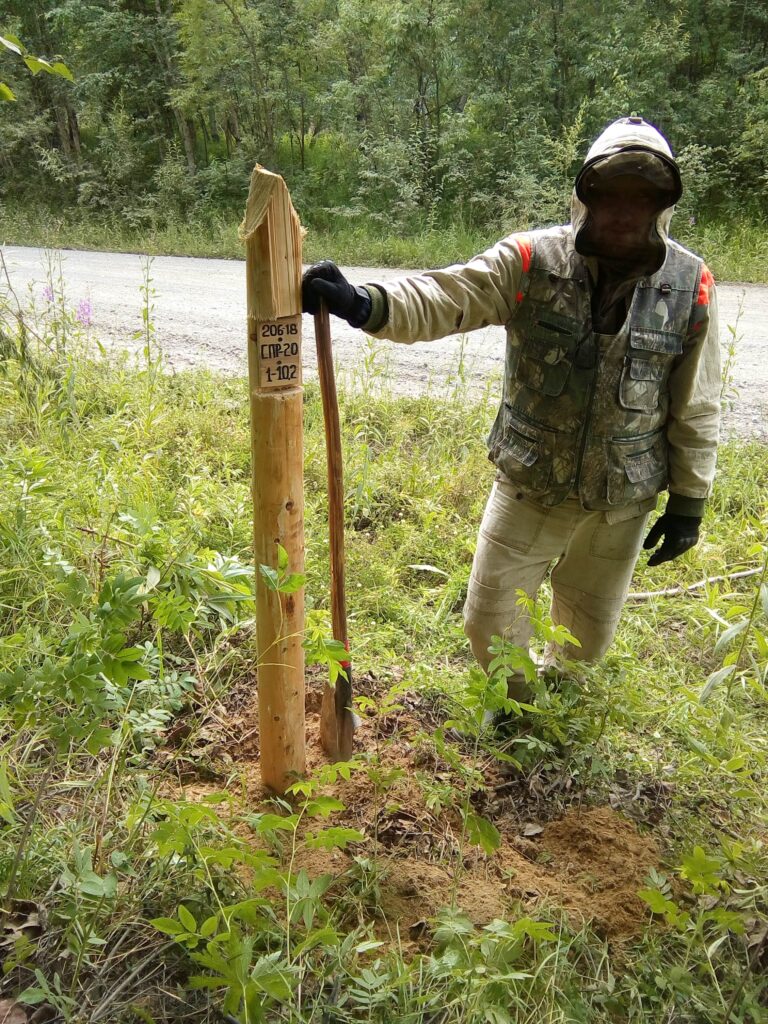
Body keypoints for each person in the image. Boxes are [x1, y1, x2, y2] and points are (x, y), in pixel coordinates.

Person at [302, 116, 720, 700]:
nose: (626, 211)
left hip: (621, 501)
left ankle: (561, 709)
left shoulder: (691, 282)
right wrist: (365, 303)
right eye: (611, 194)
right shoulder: (530, 259)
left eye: (642, 197)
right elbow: (449, 295)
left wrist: (689, 502)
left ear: (662, 204)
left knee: (588, 640)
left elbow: (697, 401)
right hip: (529, 486)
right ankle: (518, 706)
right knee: (488, 623)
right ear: (585, 196)